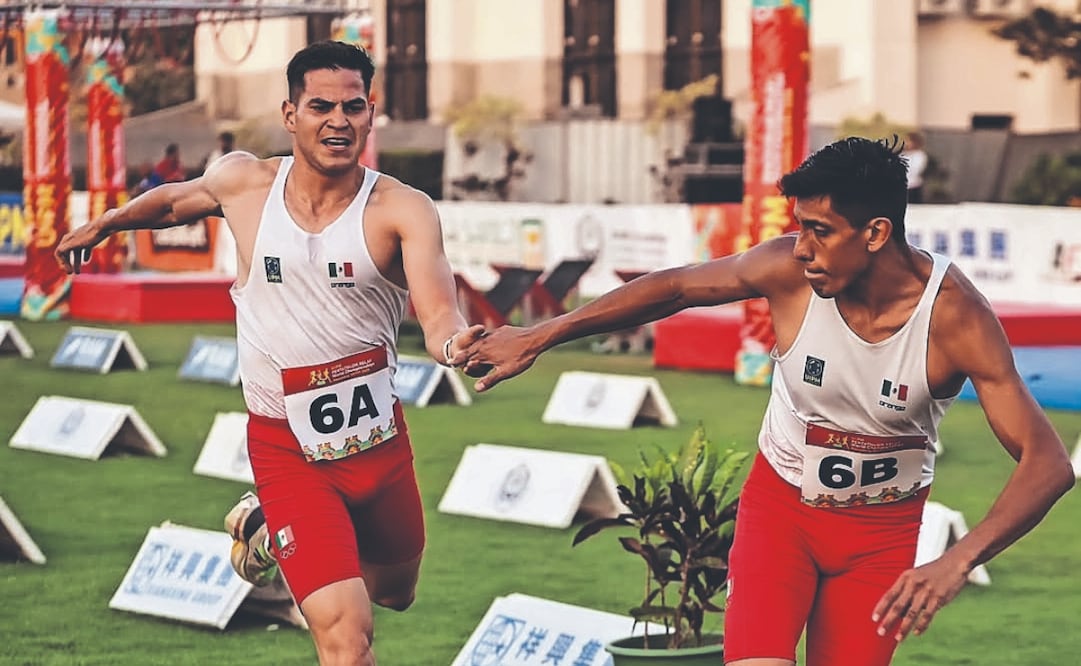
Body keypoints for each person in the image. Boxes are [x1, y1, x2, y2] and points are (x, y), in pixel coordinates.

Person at [461, 137, 1074, 666]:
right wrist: (540, 335)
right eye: (800, 225)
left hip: (881, 537)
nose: (801, 247)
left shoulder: (954, 316)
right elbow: (675, 288)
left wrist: (957, 561)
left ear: (877, 233)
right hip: (781, 516)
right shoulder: (789, 270)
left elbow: (1046, 463)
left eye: (820, 231)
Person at [56, 40, 485, 666]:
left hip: (377, 441)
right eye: (320, 107)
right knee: (347, 635)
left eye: (354, 107)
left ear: (370, 114)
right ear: (291, 115)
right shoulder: (246, 182)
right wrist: (108, 222)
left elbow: (438, 307)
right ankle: (289, 524)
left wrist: (454, 343)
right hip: (286, 447)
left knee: (395, 593)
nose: (338, 121)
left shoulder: (402, 209)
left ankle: (267, 532)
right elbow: (175, 200)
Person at [901, 131, 928, 204]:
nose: (906, 143)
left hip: (913, 188)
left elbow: (914, 171)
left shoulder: (919, 155)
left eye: (908, 141)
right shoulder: (902, 154)